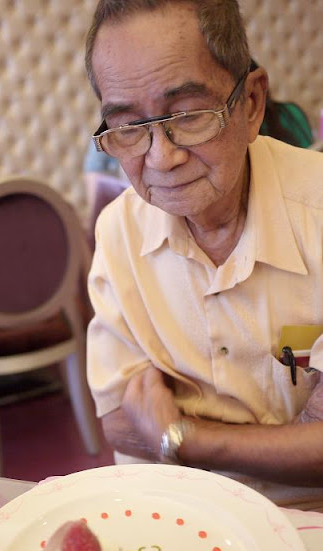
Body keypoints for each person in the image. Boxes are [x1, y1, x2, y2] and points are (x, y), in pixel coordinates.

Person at [84, 0, 323, 510]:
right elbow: (119, 423)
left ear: (251, 103)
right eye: (128, 127)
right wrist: (291, 440)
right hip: (176, 512)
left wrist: (182, 436)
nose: (161, 158)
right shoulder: (120, 231)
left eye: (189, 115)